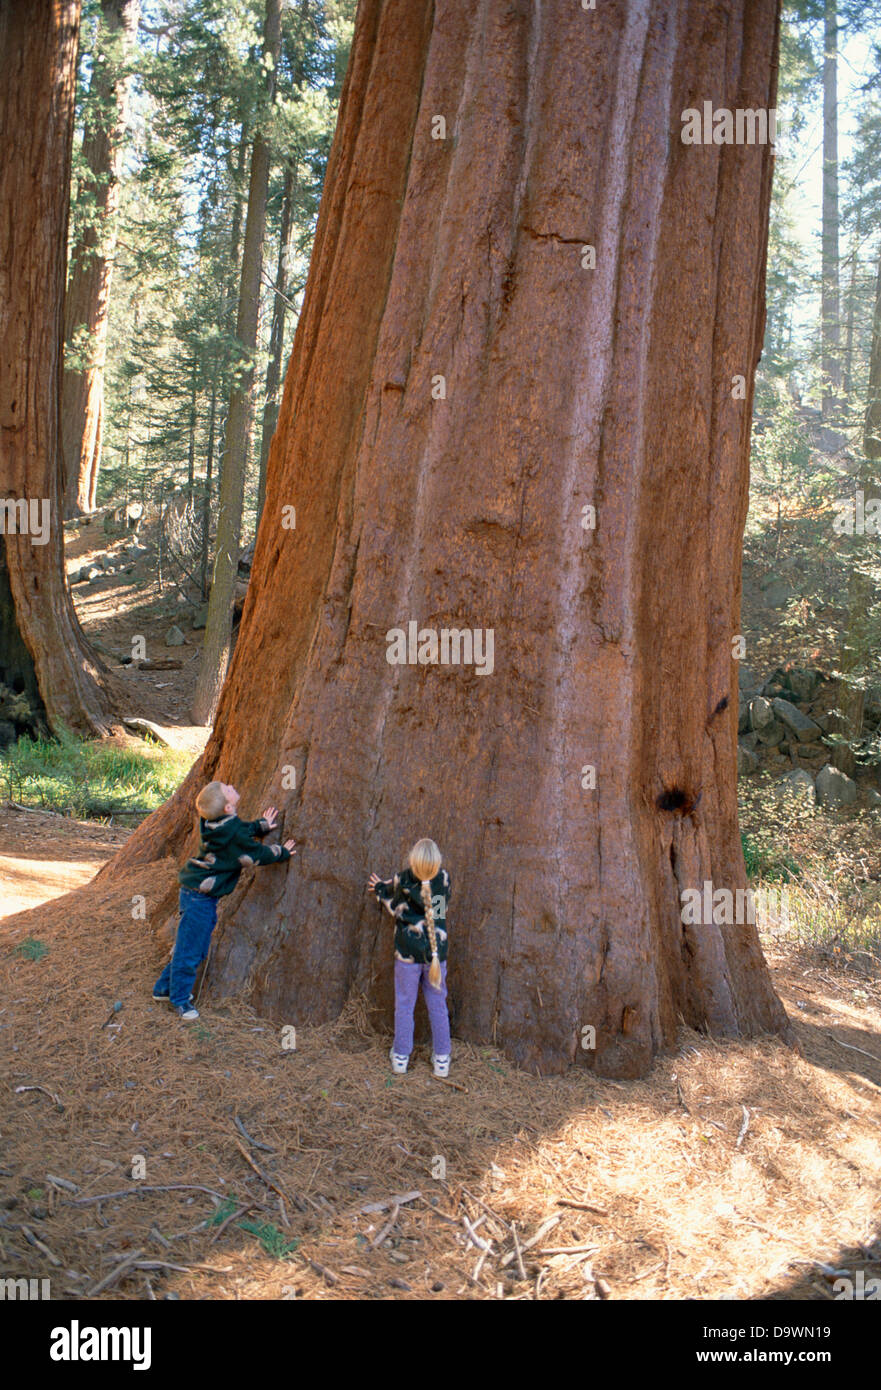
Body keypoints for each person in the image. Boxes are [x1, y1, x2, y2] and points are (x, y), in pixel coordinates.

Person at [153, 781, 295, 1020]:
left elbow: (238, 831)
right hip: (200, 899)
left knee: (192, 947)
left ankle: (163, 988)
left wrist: (260, 826)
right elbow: (254, 855)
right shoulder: (232, 832)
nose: (231, 785)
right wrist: (281, 852)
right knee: (190, 951)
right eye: (227, 789)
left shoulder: (212, 821)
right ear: (228, 808)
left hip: (195, 894)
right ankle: (179, 999)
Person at [367, 838, 451, 1077]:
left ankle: (401, 1057)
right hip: (436, 954)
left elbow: (393, 904)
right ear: (436, 863)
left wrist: (381, 890)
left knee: (404, 1004)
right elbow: (439, 910)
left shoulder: (404, 878)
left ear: (413, 861)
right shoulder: (443, 880)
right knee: (437, 1004)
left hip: (407, 954)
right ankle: (442, 1059)